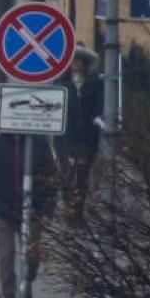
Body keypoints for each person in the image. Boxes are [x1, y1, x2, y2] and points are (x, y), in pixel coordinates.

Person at [0, 133, 55, 298]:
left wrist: (49, 209)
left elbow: (50, 177)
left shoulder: (39, 143)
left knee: (31, 256)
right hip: (4, 211)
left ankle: (26, 283)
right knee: (5, 257)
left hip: (32, 209)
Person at [58, 45, 104, 204]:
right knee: (66, 170)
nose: (77, 63)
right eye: (74, 60)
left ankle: (78, 206)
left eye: (81, 60)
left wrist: (98, 119)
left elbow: (100, 105)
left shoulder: (94, 83)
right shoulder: (63, 83)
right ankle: (66, 204)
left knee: (83, 173)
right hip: (66, 136)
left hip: (87, 137)